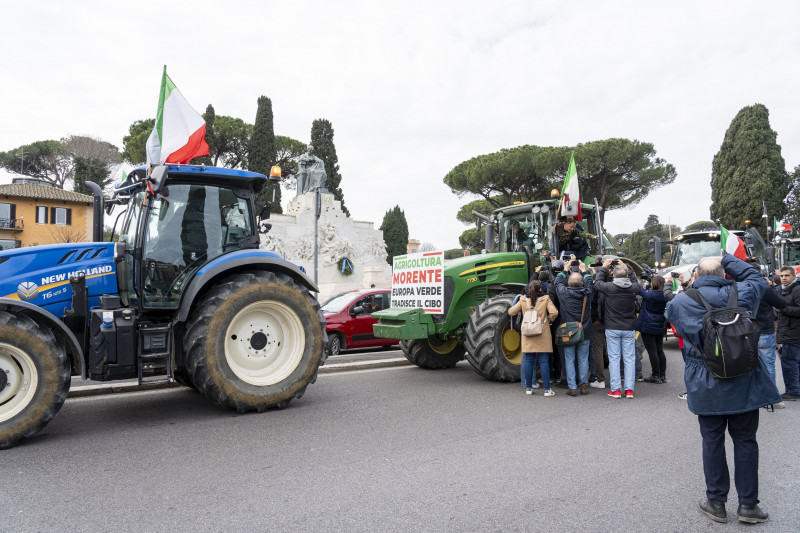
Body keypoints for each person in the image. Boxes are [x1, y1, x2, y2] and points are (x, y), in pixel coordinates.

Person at [665, 254, 780, 524]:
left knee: (712, 441)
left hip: (705, 379)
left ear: (696, 276)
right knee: (746, 441)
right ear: (725, 274)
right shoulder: (744, 291)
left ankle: (716, 502)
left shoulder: (680, 301)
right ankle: (749, 506)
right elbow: (754, 276)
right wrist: (728, 258)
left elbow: (674, 323)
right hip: (745, 378)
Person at [594, 259, 640, 399]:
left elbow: (597, 282)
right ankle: (629, 390)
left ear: (613, 276)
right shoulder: (633, 288)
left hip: (612, 327)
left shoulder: (609, 287)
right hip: (629, 327)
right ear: (626, 276)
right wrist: (627, 268)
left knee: (614, 359)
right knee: (629, 359)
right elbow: (636, 282)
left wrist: (603, 267)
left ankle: (616, 390)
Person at [508, 280, 559, 396]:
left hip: (527, 334)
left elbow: (511, 312)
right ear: (540, 289)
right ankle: (547, 390)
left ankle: (529, 388)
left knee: (529, 361)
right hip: (542, 333)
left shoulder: (523, 300)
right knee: (544, 362)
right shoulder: (545, 299)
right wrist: (548, 320)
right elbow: (554, 312)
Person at [553, 259, 594, 396]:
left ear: (569, 283)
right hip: (585, 330)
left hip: (568, 332)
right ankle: (583, 385)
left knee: (569, 359)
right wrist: (584, 270)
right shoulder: (587, 293)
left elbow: (557, 281)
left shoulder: (563, 293)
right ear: (581, 283)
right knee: (583, 359)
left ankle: (572, 387)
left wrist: (565, 269)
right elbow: (589, 281)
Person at [753, 267, 786, 408]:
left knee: (747, 366)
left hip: (745, 332)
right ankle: (770, 399)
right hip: (764, 331)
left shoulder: (739, 286)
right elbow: (782, 303)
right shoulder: (764, 288)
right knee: (768, 365)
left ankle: (753, 397)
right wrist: (770, 287)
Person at [637, 275, 668, 384]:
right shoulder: (664, 295)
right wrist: (650, 281)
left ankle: (655, 375)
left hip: (648, 325)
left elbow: (639, 289)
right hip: (659, 325)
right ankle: (662, 375)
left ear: (654, 284)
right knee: (659, 350)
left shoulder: (650, 295)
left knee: (652, 351)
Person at [776, 266, 800, 402]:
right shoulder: (781, 290)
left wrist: (782, 308)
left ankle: (793, 390)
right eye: (781, 276)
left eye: (787, 276)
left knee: (790, 362)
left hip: (794, 333)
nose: (784, 278)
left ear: (793, 276)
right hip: (788, 332)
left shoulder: (797, 290)